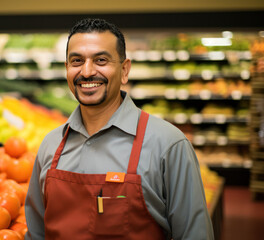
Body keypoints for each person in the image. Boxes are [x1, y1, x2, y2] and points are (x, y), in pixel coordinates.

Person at [25, 18, 214, 240]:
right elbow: (36, 234)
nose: (87, 72)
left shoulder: (168, 145)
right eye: (77, 61)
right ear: (67, 69)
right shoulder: (51, 144)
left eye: (101, 60)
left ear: (125, 70)